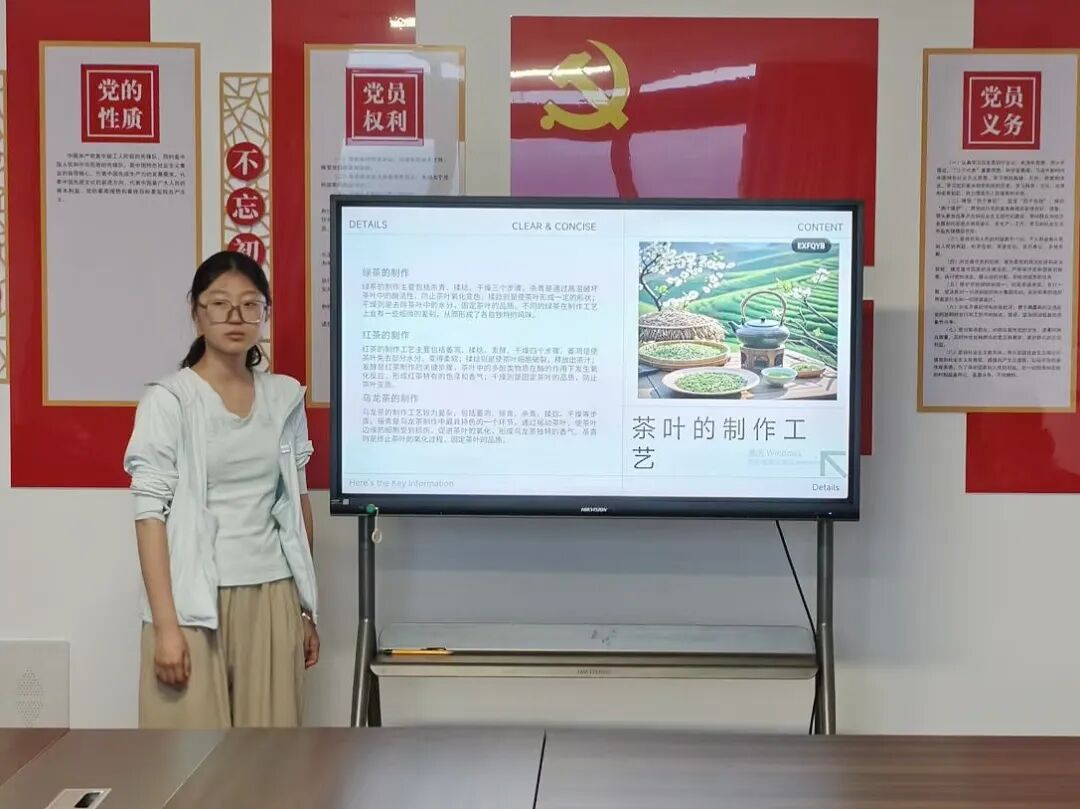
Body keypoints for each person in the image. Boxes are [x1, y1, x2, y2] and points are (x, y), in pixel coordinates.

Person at [123, 251, 319, 729]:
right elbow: (149, 517)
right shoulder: (170, 399)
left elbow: (297, 508)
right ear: (197, 313)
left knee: (269, 758)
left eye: (250, 305)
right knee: (187, 760)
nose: (236, 316)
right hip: (191, 603)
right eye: (219, 303)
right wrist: (166, 627)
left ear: (264, 315)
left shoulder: (285, 397)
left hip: (271, 595)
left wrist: (304, 609)